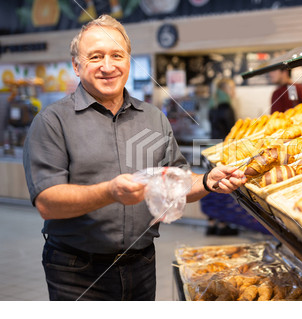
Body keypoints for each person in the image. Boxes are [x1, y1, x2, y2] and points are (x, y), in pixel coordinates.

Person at [22, 15, 246, 301]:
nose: (107, 66)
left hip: (142, 264)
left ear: (129, 61)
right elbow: (47, 203)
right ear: (77, 66)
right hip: (76, 270)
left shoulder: (153, 118)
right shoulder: (52, 121)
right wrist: (110, 192)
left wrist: (206, 180)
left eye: (117, 55)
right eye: (95, 56)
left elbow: (175, 180)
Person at [205, 78, 239, 236]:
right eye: (232, 88)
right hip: (223, 151)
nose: (234, 92)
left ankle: (212, 224)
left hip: (211, 148)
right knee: (223, 188)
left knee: (211, 188)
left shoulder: (213, 105)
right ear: (227, 89)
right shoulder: (227, 107)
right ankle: (223, 225)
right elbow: (232, 133)